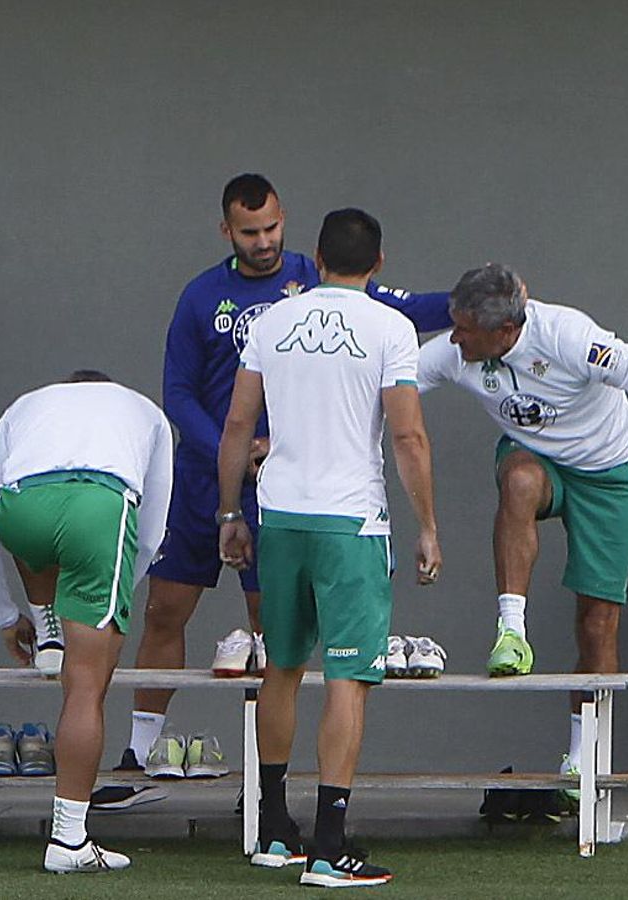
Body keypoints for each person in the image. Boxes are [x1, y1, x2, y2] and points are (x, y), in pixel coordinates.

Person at [99, 173, 451, 808]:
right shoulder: (202, 296)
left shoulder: (314, 279)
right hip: (210, 477)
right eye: (249, 232)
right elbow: (178, 393)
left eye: (271, 229)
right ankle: (140, 749)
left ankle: (263, 789)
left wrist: (482, 301)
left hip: (281, 492)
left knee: (273, 637)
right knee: (163, 610)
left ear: (287, 222)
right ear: (226, 230)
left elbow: (410, 305)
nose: (263, 243)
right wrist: (234, 452)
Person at [416, 262, 628, 782]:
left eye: (465, 329)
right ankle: (511, 631)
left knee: (597, 624)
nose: (454, 338)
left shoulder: (571, 339)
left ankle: (582, 762)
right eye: (455, 324)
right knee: (518, 481)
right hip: (537, 461)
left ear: (505, 331)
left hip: (608, 474)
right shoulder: (455, 353)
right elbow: (384, 392)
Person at [219, 208, 441, 888]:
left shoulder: (271, 322)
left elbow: (236, 424)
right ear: (379, 264)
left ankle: (275, 829)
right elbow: (406, 438)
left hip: (280, 515)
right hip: (351, 523)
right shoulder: (391, 327)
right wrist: (428, 525)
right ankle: (330, 845)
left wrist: (231, 512)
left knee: (280, 668)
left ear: (315, 259)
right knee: (348, 677)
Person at [0, 370, 172, 874]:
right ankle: (69, 841)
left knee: (33, 534)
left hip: (23, 507)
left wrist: (4, 616)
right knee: (86, 688)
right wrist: (115, 592)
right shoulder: (147, 412)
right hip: (100, 507)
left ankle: (44, 618)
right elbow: (151, 533)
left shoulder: (25, 404)